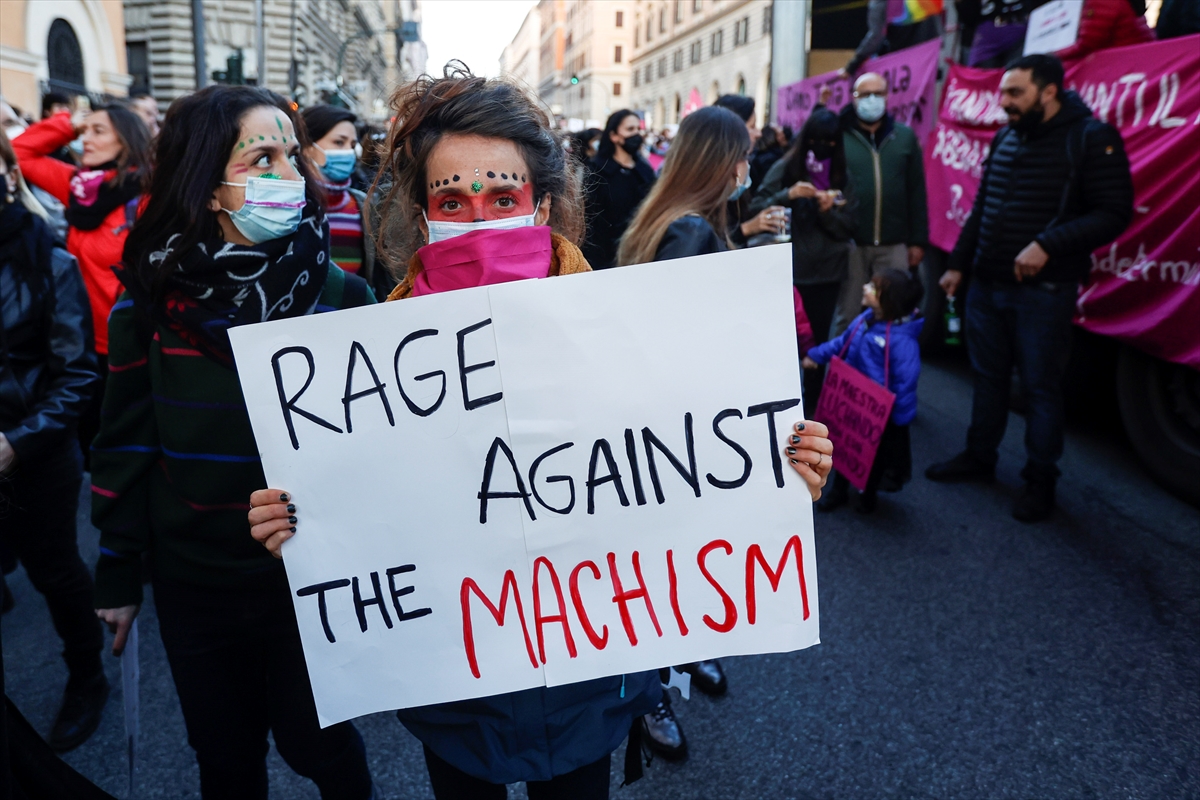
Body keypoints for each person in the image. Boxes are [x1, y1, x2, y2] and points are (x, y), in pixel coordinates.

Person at [249, 68, 835, 797]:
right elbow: (356, 510)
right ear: (424, 217)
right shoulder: (368, 365)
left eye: (503, 198)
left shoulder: (628, 333)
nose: (478, 218)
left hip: (589, 686)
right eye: (453, 201)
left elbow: (687, 469)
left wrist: (780, 471)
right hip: (453, 693)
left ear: (543, 206)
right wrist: (297, 518)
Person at [90, 85, 376, 799]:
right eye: (262, 159)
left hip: (310, 578)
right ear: (209, 185)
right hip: (196, 583)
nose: (290, 174)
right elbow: (125, 444)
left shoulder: (342, 298)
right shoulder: (149, 306)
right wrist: (118, 575)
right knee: (224, 757)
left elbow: (375, 449)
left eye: (292, 156)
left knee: (322, 747)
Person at [617, 104, 812, 761]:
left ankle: (682, 656)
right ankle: (651, 695)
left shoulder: (677, 221)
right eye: (743, 155)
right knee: (668, 564)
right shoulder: (690, 230)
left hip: (671, 427)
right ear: (719, 162)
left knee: (673, 560)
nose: (747, 167)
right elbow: (677, 341)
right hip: (683, 431)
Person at [928, 54, 1133, 522]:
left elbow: (1113, 213)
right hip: (986, 285)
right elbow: (984, 205)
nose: (1004, 102)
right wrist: (958, 265)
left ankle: (1041, 481)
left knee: (1040, 388)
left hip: (1045, 292)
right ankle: (979, 457)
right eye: (1002, 92)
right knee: (988, 379)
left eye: (1015, 93)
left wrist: (1047, 245)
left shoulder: (1091, 138)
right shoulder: (1006, 136)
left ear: (1049, 92)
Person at [0, 130, 106, 753]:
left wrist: (18, 441)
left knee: (57, 573)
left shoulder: (51, 262)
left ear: (10, 175)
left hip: (35, 457)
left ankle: (87, 677)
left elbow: (76, 376)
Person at [12, 102, 150, 464]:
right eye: (83, 132)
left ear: (126, 139)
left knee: (125, 445)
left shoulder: (148, 194)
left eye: (97, 131)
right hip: (78, 346)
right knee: (89, 444)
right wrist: (67, 124)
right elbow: (18, 153)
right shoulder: (79, 186)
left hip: (129, 346)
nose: (85, 139)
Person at [750, 108, 857, 416]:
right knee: (779, 344)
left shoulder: (843, 176)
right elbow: (757, 206)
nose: (822, 147)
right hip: (789, 272)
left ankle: (811, 410)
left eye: (830, 142)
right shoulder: (787, 166)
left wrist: (827, 210)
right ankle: (774, 408)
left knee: (816, 348)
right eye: (816, 140)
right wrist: (789, 194)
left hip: (826, 274)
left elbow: (850, 227)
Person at [805, 268, 924, 512]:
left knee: (871, 455)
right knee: (845, 447)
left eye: (873, 288)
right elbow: (841, 343)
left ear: (887, 301)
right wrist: (816, 355)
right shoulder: (864, 320)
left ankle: (868, 495)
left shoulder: (902, 342)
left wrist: (899, 419)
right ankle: (838, 491)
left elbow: (905, 383)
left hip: (878, 414)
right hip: (853, 401)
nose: (864, 288)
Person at [832, 72, 928, 337]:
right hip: (852, 244)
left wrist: (918, 241)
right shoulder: (840, 136)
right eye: (865, 94)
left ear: (887, 97)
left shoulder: (904, 137)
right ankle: (843, 362)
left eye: (878, 94)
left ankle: (888, 363)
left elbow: (916, 190)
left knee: (893, 315)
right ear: (854, 98)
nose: (871, 100)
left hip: (893, 243)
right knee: (848, 314)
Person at [301, 105, 392, 299]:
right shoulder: (292, 206)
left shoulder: (363, 205)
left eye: (352, 145)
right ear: (307, 148)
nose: (348, 152)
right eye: (338, 142)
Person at [581, 109, 656, 269]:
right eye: (630, 129)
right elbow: (592, 221)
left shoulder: (644, 170)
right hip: (608, 257)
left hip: (643, 253)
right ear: (614, 135)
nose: (636, 134)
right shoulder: (598, 171)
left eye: (638, 129)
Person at [710, 95, 787, 248]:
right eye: (752, 126)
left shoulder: (735, 192)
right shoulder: (708, 192)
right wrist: (748, 228)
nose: (759, 133)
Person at [841, 0, 943, 76]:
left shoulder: (880, 3)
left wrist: (853, 65)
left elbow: (875, 37)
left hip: (904, 66)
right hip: (929, 61)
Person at [1053, 0, 1153, 62]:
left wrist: (1052, 55)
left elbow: (1087, 44)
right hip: (1139, 58)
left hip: (1125, 63)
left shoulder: (1102, 2)